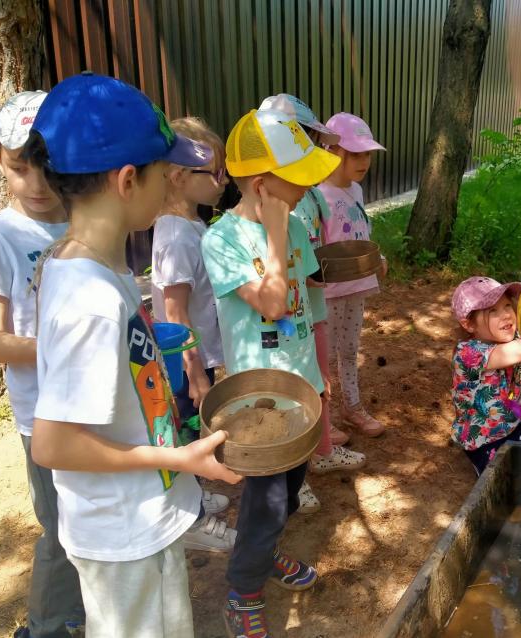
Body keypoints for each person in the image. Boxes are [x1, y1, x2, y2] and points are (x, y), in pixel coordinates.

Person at [24, 72, 240, 638]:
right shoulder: (90, 297)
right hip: (122, 529)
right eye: (163, 171)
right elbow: (53, 443)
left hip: (137, 514)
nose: (171, 181)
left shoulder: (101, 268)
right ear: (127, 180)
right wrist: (176, 459)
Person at [201, 107, 340, 638]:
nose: (306, 189)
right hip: (259, 407)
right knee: (267, 500)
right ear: (262, 186)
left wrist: (319, 374)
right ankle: (243, 593)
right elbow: (274, 304)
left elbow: (307, 299)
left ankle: (267, 552)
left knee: (291, 489)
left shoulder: (297, 226)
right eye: (296, 180)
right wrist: (277, 236)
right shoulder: (223, 241)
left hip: (300, 389)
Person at [0, 91, 84, 638]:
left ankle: (84, 607)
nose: (37, 184)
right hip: (45, 415)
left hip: (97, 403)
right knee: (59, 526)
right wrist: (67, 347)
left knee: (93, 516)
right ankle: (45, 626)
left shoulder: (86, 221)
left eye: (48, 166)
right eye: (20, 167)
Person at [258, 95, 367, 515]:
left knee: (318, 383)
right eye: (306, 138)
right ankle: (296, 472)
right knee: (292, 393)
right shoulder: (277, 204)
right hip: (287, 318)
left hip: (312, 308)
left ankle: (321, 451)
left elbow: (316, 248)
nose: (314, 147)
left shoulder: (308, 195)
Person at [151, 116, 236, 551]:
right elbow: (175, 310)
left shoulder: (193, 225)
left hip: (198, 357)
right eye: (215, 173)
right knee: (183, 432)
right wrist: (196, 372)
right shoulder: (176, 236)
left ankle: (195, 499)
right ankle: (190, 520)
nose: (224, 181)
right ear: (180, 176)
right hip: (183, 365)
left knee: (192, 429)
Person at [318, 112, 388, 437]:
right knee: (326, 355)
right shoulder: (317, 196)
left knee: (349, 349)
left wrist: (377, 257)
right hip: (330, 289)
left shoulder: (356, 191)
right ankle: (325, 416)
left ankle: (352, 406)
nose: (364, 162)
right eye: (355, 154)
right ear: (332, 151)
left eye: (367, 154)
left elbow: (361, 230)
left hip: (357, 284)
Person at [451, 276, 521, 474]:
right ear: (469, 324)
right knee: (519, 477)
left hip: (517, 417)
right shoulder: (468, 353)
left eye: (507, 306)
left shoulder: (509, 339)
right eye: (493, 311)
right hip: (487, 437)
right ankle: (482, 462)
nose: (506, 315)